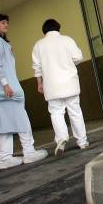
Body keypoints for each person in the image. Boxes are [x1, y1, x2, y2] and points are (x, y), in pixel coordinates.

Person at [0, 14, 48, 169]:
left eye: (7, 23)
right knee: (21, 119)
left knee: (5, 124)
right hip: (7, 90)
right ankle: (29, 151)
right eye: (3, 23)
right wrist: (6, 85)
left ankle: (5, 158)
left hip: (3, 90)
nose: (6, 25)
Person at [32, 19, 89, 156]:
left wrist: (39, 83)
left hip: (51, 85)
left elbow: (37, 67)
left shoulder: (38, 45)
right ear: (58, 28)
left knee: (56, 112)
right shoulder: (67, 40)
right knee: (75, 111)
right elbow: (77, 57)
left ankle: (62, 137)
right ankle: (82, 141)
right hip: (69, 82)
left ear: (44, 31)